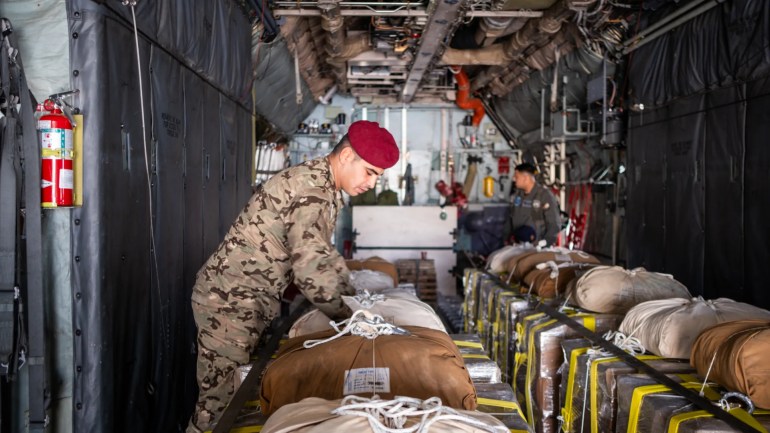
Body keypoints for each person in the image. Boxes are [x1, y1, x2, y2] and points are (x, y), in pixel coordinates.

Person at [187, 120, 400, 433]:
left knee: (241, 398)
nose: (372, 183)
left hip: (248, 298)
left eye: (378, 176)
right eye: (369, 171)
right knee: (218, 409)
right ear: (345, 156)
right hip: (229, 301)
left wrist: (350, 295)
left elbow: (324, 255)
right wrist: (348, 318)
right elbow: (310, 264)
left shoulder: (322, 184)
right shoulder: (314, 190)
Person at [504, 162, 560, 246]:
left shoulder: (544, 196)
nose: (514, 179)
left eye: (517, 176)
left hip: (537, 247)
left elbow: (554, 223)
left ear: (526, 178)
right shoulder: (516, 196)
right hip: (517, 245)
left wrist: (546, 242)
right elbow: (509, 219)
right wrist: (506, 239)